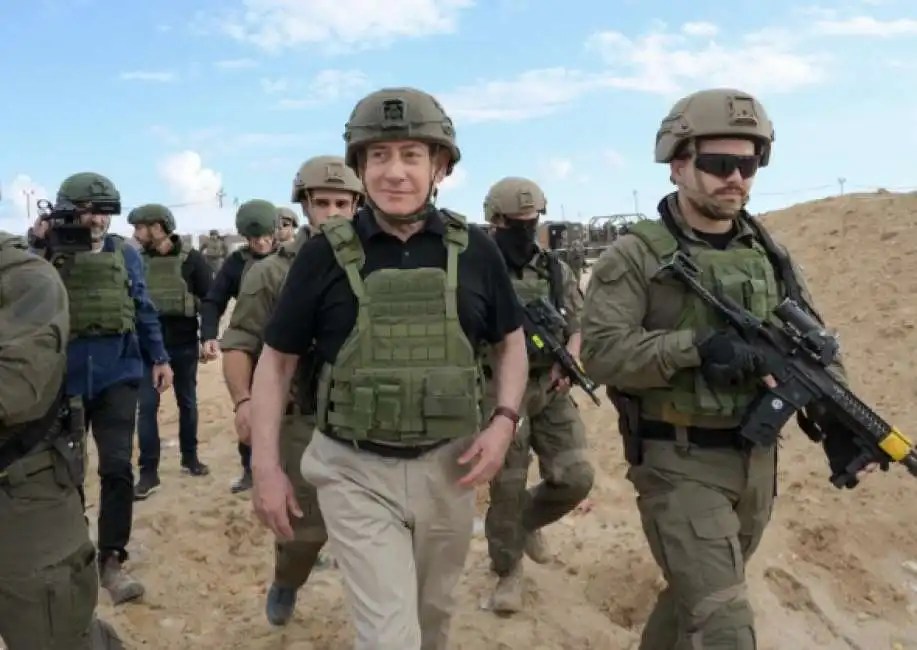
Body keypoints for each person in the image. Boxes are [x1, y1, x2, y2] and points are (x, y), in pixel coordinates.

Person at [580, 88, 863, 649]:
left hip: (756, 464)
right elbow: (601, 353)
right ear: (677, 164)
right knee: (724, 625)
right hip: (678, 462)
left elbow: (815, 345)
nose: (735, 178)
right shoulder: (635, 256)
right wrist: (697, 347)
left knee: (696, 602)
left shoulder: (768, 253)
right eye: (717, 164)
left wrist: (839, 415)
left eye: (748, 165)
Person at [249, 87, 528, 650]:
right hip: (353, 469)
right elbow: (276, 362)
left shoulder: (476, 249)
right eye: (378, 156)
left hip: (449, 467)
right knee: (388, 637)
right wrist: (265, 467)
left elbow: (511, 343)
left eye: (411, 155)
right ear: (360, 166)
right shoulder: (322, 254)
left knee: (432, 618)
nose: (394, 171)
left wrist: (503, 422)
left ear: (439, 166)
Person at [222, 154, 364, 626]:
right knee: (304, 527)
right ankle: (288, 579)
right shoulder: (271, 272)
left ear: (357, 205)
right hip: (302, 413)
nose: (332, 213)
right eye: (322, 203)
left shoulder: (378, 262)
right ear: (305, 206)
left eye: (342, 203)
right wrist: (244, 401)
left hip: (369, 412)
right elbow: (240, 342)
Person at [29, 172, 174, 606]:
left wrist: (160, 357)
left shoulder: (125, 253)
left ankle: (111, 558)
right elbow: (19, 294)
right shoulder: (46, 253)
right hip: (64, 378)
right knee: (66, 472)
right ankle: (75, 552)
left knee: (116, 466)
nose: (96, 221)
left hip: (118, 375)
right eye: (87, 212)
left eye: (104, 212)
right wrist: (38, 244)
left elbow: (142, 305)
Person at [480, 176, 594, 614]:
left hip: (550, 387)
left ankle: (522, 523)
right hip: (500, 393)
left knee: (576, 476)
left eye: (532, 222)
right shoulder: (478, 269)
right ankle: (507, 570)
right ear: (495, 221)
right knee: (507, 486)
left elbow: (579, 323)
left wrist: (572, 357)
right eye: (516, 223)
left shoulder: (554, 270)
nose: (525, 232)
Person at [128, 203, 213, 500]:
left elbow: (210, 299)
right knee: (147, 408)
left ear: (158, 227)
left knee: (186, 402)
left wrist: (207, 337)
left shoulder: (192, 260)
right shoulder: (136, 260)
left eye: (140, 227)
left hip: (184, 343)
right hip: (149, 348)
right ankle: (148, 472)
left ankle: (190, 458)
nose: (136, 233)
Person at [200, 199, 278, 493]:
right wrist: (209, 335)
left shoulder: (293, 258)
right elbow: (213, 300)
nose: (261, 243)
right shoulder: (236, 264)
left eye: (266, 236)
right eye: (254, 238)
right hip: (251, 348)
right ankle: (249, 469)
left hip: (288, 346)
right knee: (249, 409)